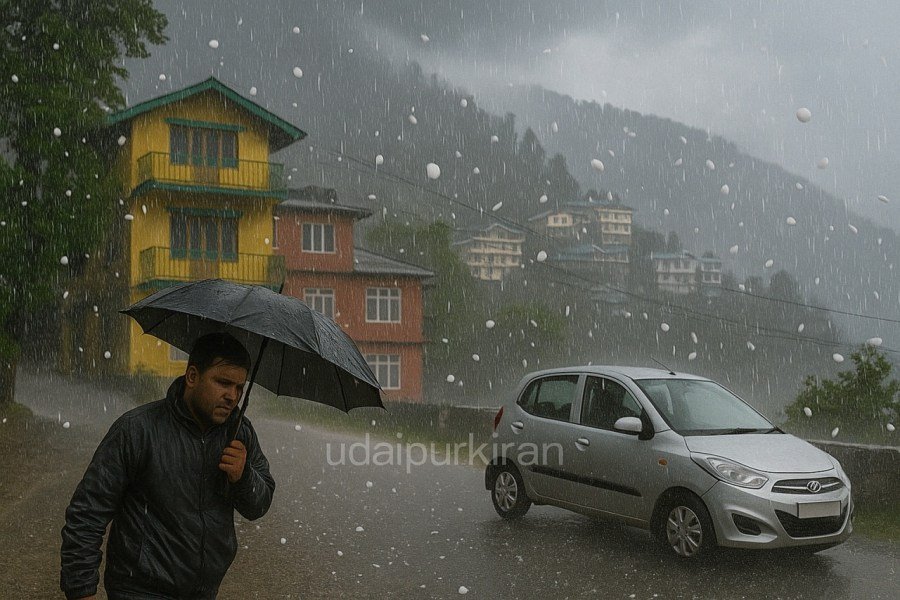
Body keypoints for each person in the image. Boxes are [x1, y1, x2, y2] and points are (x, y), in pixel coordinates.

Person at [60, 332, 275, 599]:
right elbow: (87, 513)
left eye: (239, 387)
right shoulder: (138, 430)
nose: (232, 396)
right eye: (223, 383)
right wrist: (81, 590)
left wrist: (243, 477)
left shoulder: (239, 433)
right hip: (138, 590)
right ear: (192, 376)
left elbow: (259, 505)